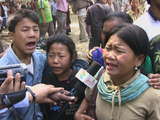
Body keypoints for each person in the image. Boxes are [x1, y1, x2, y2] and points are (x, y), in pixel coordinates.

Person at [75, 24, 160, 120]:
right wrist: (79, 114)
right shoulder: (100, 77)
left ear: (139, 59)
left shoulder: (153, 96)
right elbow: (88, 97)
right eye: (108, 48)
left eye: (119, 50)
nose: (110, 55)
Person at [41, 34, 89, 120]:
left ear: (72, 57)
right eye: (51, 55)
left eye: (61, 56)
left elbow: (94, 92)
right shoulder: (45, 77)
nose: (55, 61)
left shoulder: (83, 75)